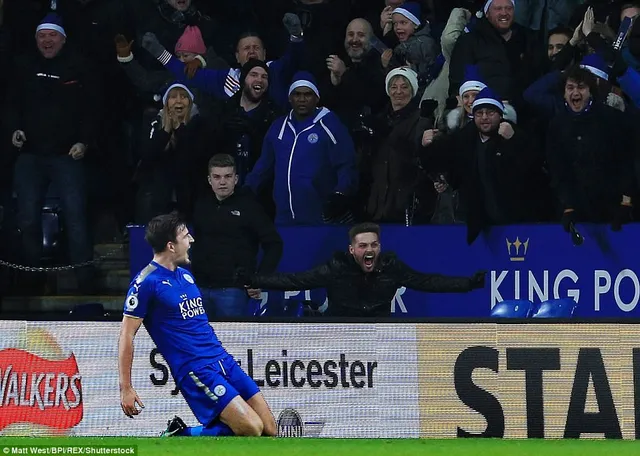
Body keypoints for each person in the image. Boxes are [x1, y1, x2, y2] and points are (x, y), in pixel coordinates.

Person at [118, 212, 277, 437]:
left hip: (222, 360)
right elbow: (126, 335)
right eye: (185, 236)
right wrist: (126, 387)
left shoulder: (185, 275)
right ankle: (182, 435)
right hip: (195, 369)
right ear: (171, 246)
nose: (191, 239)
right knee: (251, 428)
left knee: (269, 429)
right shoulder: (146, 282)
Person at [243, 222, 486, 317]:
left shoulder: (390, 267)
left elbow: (427, 282)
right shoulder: (337, 267)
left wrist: (467, 284)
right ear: (352, 250)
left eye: (373, 245)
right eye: (362, 246)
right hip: (340, 332)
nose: (369, 250)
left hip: (380, 331)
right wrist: (254, 278)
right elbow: (295, 281)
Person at [192, 154, 283, 317]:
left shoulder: (250, 207)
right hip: (200, 288)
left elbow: (274, 244)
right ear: (209, 179)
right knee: (198, 341)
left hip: (233, 291)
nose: (222, 182)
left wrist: (260, 279)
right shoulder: (201, 205)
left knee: (232, 341)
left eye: (227, 176)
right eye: (217, 177)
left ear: (236, 179)